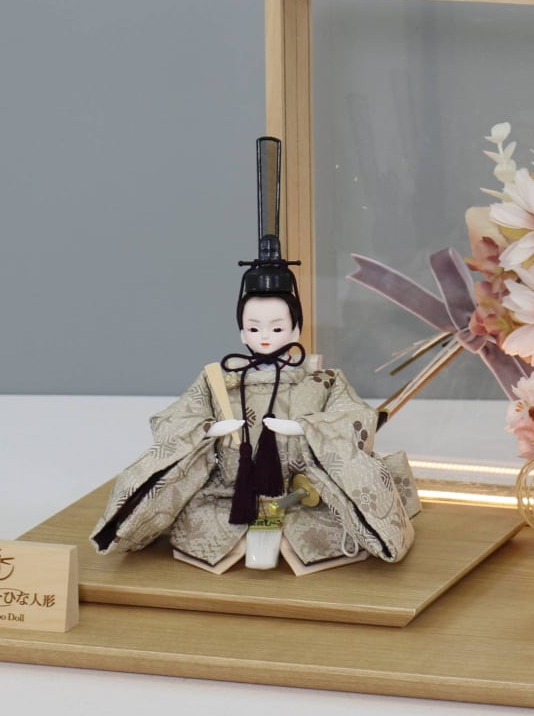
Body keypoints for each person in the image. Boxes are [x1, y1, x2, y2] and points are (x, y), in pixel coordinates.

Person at [90, 138, 416, 574]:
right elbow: (171, 422)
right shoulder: (218, 380)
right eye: (255, 327)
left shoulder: (322, 380)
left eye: (277, 328)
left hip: (306, 493)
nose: (265, 336)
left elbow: (357, 420)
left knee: (322, 518)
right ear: (241, 330)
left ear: (296, 329)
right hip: (228, 494)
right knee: (201, 517)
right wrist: (208, 429)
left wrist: (307, 428)